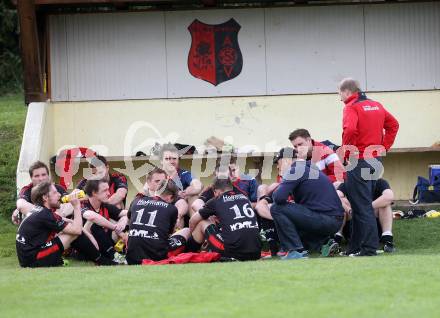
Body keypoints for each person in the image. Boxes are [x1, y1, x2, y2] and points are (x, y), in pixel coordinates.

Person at [339, 78, 399, 256]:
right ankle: (355, 248)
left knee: (362, 206)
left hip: (359, 160)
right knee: (359, 205)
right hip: (375, 161)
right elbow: (393, 125)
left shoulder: (351, 107)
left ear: (347, 92)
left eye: (340, 94)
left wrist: (346, 154)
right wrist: (383, 148)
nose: (340, 98)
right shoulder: (377, 105)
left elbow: (349, 131)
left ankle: (368, 248)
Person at [270, 152, 345, 260]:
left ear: (287, 160)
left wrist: (281, 184)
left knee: (276, 208)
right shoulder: (309, 168)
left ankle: (295, 250)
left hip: (325, 219)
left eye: (278, 163)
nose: (277, 166)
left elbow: (278, 198)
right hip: (334, 220)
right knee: (291, 217)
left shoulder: (296, 170)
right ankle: (324, 243)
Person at [189, 178, 261, 261]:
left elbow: (193, 220)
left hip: (233, 252)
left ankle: (189, 251)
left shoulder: (216, 201)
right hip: (256, 252)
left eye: (214, 193)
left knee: (203, 222)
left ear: (217, 191)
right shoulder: (245, 198)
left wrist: (193, 233)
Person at [15, 182, 83, 267]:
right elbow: (77, 230)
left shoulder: (39, 211)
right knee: (72, 234)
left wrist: (71, 222)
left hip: (26, 257)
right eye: (55, 192)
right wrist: (76, 207)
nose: (59, 194)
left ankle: (56, 260)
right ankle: (98, 259)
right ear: (45, 198)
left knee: (66, 230)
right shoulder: (46, 214)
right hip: (32, 260)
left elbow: (65, 222)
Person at [126, 180, 191, 265]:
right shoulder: (171, 208)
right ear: (170, 197)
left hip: (131, 256)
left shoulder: (136, 201)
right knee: (187, 230)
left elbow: (129, 220)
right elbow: (169, 234)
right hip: (157, 256)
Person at [336, 178, 395, 253]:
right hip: (353, 225)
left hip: (373, 227)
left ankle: (387, 240)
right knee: (341, 203)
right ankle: (336, 238)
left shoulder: (379, 182)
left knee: (385, 204)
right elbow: (336, 196)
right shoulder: (349, 182)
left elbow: (389, 196)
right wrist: (350, 210)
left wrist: (367, 208)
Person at [256, 147, 295, 257]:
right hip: (286, 209)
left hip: (303, 211)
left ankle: (273, 246)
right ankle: (270, 245)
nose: (277, 166)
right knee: (263, 204)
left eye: (278, 163)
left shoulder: (299, 173)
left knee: (270, 206)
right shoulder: (281, 177)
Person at [81, 179, 128, 263]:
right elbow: (92, 217)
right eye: (105, 190)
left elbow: (126, 213)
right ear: (94, 193)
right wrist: (115, 228)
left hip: (104, 246)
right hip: (86, 249)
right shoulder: (82, 204)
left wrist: (123, 221)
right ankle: (114, 255)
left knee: (127, 222)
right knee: (94, 223)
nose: (109, 193)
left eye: (108, 189)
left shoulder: (104, 205)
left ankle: (123, 252)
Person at [160, 144, 202, 214]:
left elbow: (198, 185)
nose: (172, 162)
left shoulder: (184, 174)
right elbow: (146, 192)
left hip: (181, 211)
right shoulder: (156, 175)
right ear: (161, 161)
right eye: (167, 159)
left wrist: (185, 193)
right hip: (159, 210)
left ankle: (193, 224)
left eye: (174, 158)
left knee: (193, 196)